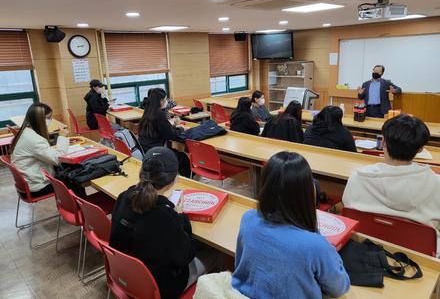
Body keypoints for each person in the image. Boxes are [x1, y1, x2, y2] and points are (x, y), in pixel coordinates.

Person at [232, 151, 350, 298]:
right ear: (307, 193)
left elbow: (239, 265)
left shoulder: (248, 218)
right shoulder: (315, 245)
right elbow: (339, 288)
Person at [109, 147, 218, 299]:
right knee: (216, 253)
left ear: (141, 173)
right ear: (173, 179)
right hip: (160, 288)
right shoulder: (165, 216)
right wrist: (181, 217)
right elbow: (186, 255)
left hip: (123, 275)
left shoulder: (123, 197)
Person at [343, 114, 440, 256]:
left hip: (364, 249)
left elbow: (348, 212)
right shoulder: (436, 183)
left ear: (383, 142)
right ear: (420, 149)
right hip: (418, 257)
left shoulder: (358, 177)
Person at [10, 103, 68, 197]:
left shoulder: (26, 131)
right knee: (73, 179)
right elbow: (58, 160)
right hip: (37, 187)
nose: (51, 120)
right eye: (49, 118)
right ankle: (78, 209)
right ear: (39, 119)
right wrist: (61, 138)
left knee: (68, 173)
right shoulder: (34, 139)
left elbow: (46, 153)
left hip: (27, 183)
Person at [138, 88, 190, 177]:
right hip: (156, 152)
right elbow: (170, 135)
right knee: (183, 158)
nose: (166, 101)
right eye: (165, 99)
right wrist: (180, 128)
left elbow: (161, 129)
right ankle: (188, 181)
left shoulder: (148, 111)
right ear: (161, 100)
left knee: (177, 153)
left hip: (146, 149)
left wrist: (172, 126)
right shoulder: (159, 114)